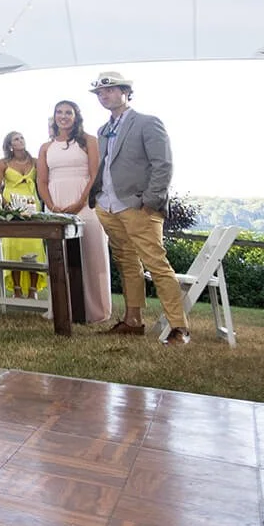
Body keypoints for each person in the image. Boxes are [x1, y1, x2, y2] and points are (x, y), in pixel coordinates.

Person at [87, 71, 189, 344]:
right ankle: (133, 321)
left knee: (156, 263)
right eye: (100, 92)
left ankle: (180, 328)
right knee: (127, 262)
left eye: (109, 90)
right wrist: (97, 198)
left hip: (138, 205)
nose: (103, 95)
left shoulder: (147, 122)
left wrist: (151, 201)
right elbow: (107, 166)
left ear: (125, 92)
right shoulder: (103, 129)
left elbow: (163, 164)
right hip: (107, 205)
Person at [38, 99, 112, 324]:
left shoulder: (89, 141)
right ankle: (62, 308)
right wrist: (51, 205)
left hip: (85, 201)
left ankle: (95, 311)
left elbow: (94, 174)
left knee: (92, 252)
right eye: (59, 112)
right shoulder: (46, 147)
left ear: (76, 116)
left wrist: (80, 202)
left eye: (68, 112)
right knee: (59, 256)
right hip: (56, 202)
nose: (63, 116)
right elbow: (41, 180)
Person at [0, 131, 45, 298]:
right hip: (11, 209)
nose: (20, 141)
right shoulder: (3, 164)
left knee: (34, 247)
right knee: (13, 248)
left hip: (31, 207)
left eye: (22, 137)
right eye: (16, 139)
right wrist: (8, 206)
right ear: (10, 145)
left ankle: (33, 290)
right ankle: (16, 289)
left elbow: (44, 183)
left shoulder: (36, 162)